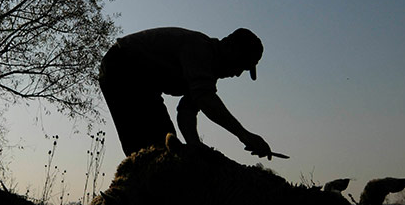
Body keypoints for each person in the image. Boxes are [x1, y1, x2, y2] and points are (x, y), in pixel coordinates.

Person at [98, 27, 274, 159]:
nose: (238, 73)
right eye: (241, 65)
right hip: (122, 68)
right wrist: (244, 135)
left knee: (167, 147)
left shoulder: (207, 72)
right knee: (153, 153)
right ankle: (125, 201)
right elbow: (204, 98)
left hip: (143, 83)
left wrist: (194, 144)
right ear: (230, 48)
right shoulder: (200, 49)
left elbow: (187, 111)